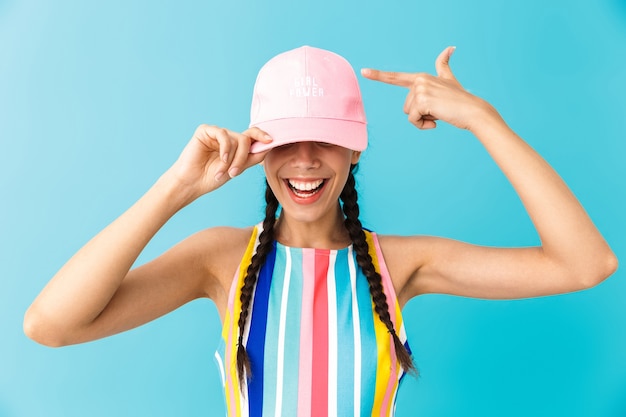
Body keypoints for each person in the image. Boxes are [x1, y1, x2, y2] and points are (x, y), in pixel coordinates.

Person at [24, 45, 617, 416]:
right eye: (286, 140)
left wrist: (485, 120)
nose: (305, 160)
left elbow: (585, 264)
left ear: (355, 149)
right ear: (261, 148)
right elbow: (51, 325)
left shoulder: (401, 264)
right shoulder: (220, 259)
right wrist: (177, 188)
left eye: (326, 138)